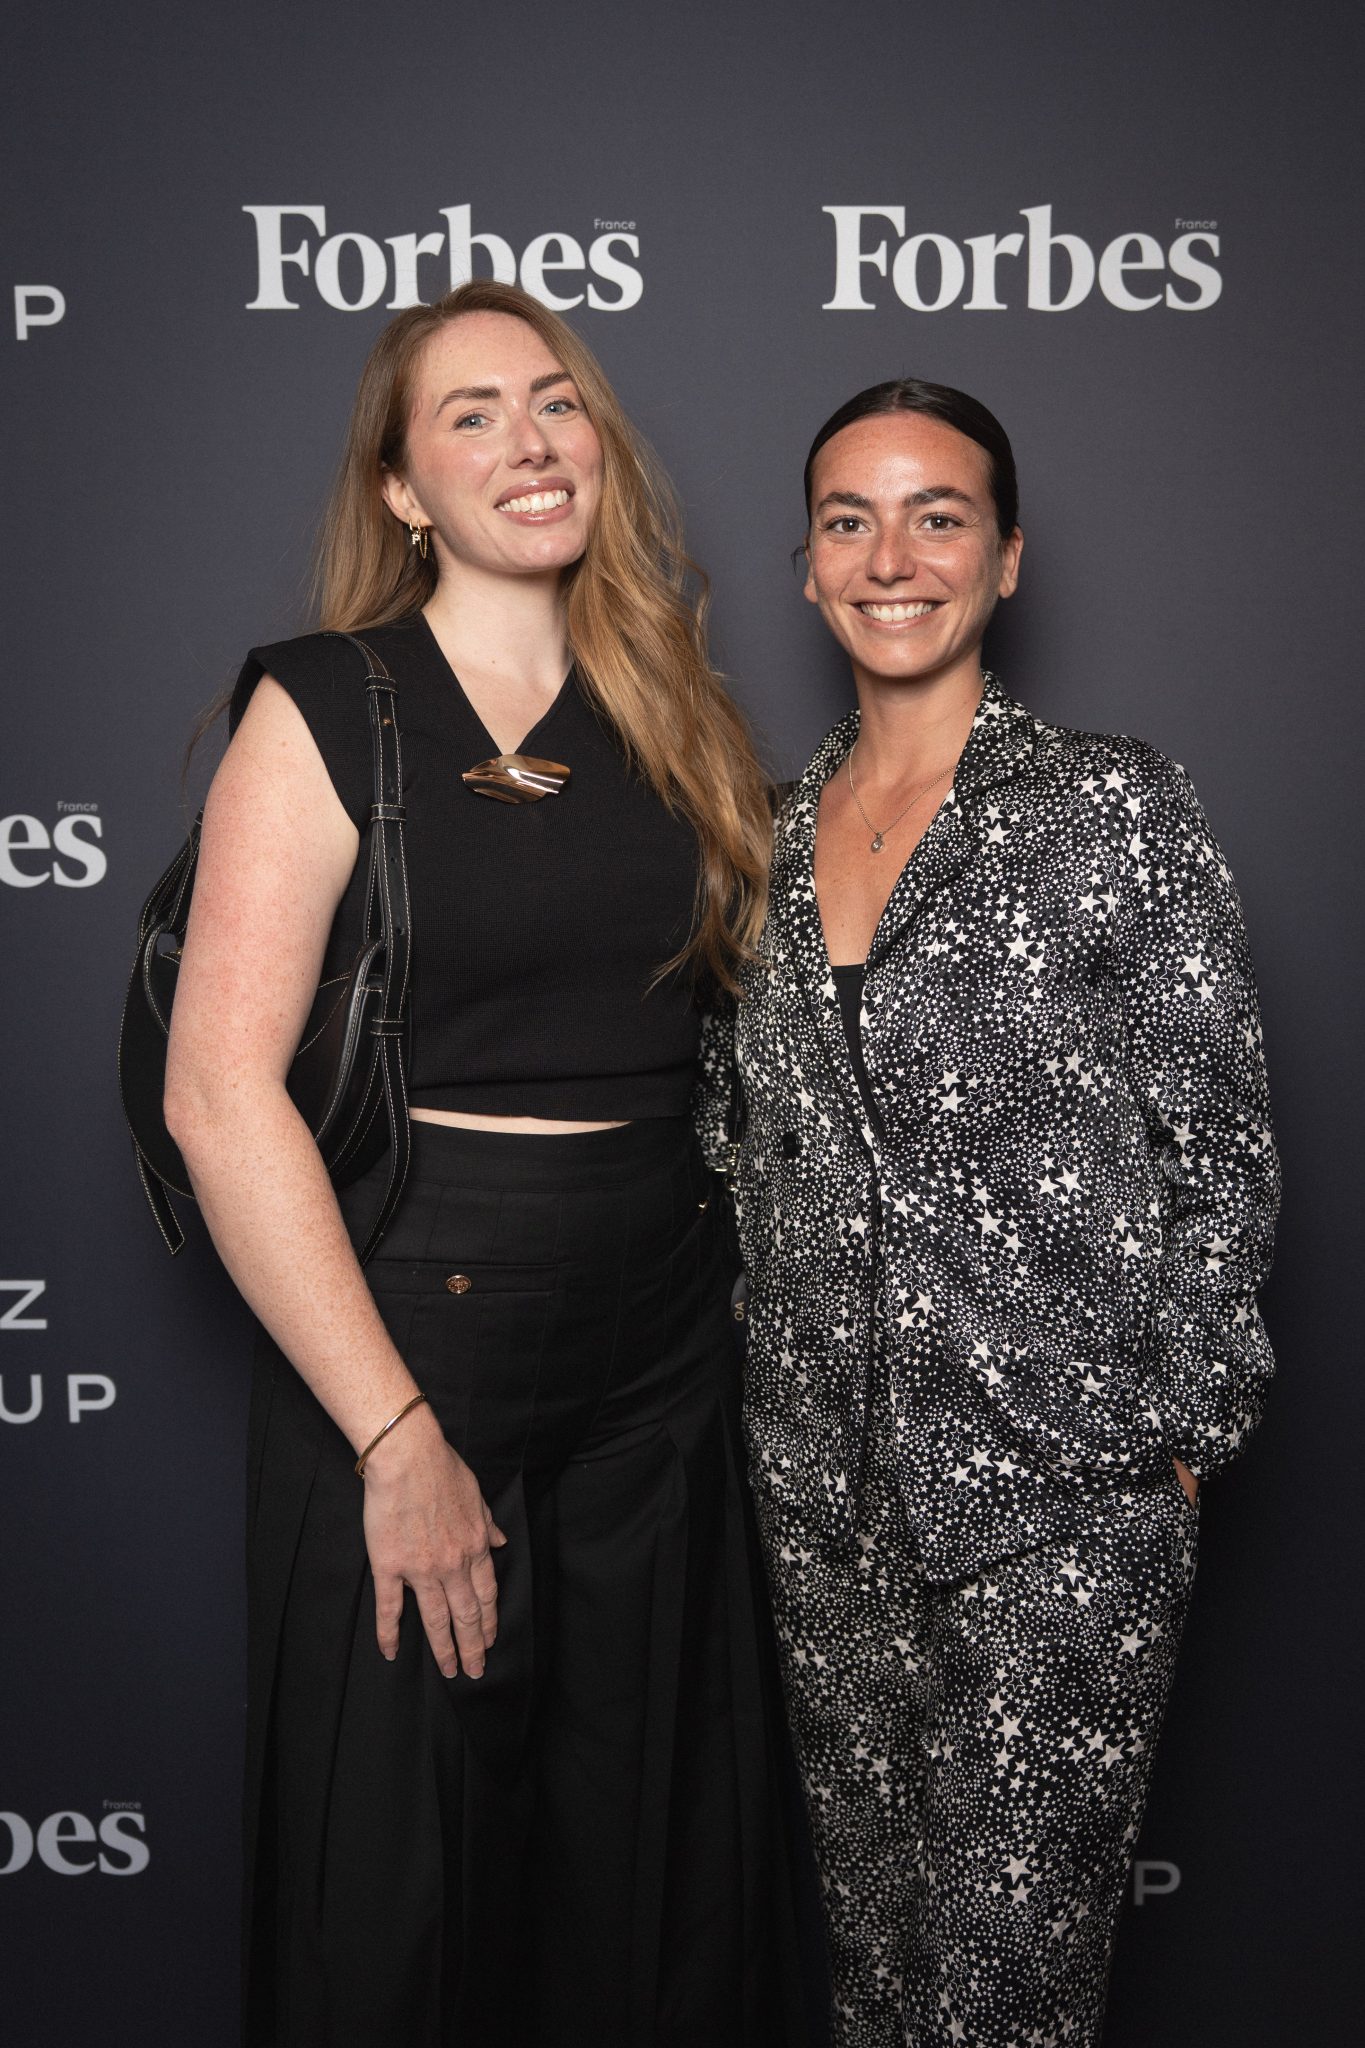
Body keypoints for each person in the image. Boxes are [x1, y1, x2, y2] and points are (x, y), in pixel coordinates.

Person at [164, 280, 804, 2047]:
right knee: (400, 1895)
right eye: (469, 416)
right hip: (412, 1325)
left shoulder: (677, 704)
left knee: (649, 1883)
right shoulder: (327, 701)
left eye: (554, 401)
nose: (528, 443)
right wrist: (391, 1433)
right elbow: (220, 1096)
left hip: (664, 1339)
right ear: (398, 489)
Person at [697, 378, 1279, 2046]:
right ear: (806, 567)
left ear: (1005, 559)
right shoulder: (761, 840)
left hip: (1059, 1511)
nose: (893, 556)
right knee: (880, 1983)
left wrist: (1174, 1434)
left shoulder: (1110, 812)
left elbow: (1215, 1142)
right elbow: (737, 1139)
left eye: (936, 516)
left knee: (997, 2006)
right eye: (848, 519)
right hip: (825, 1508)